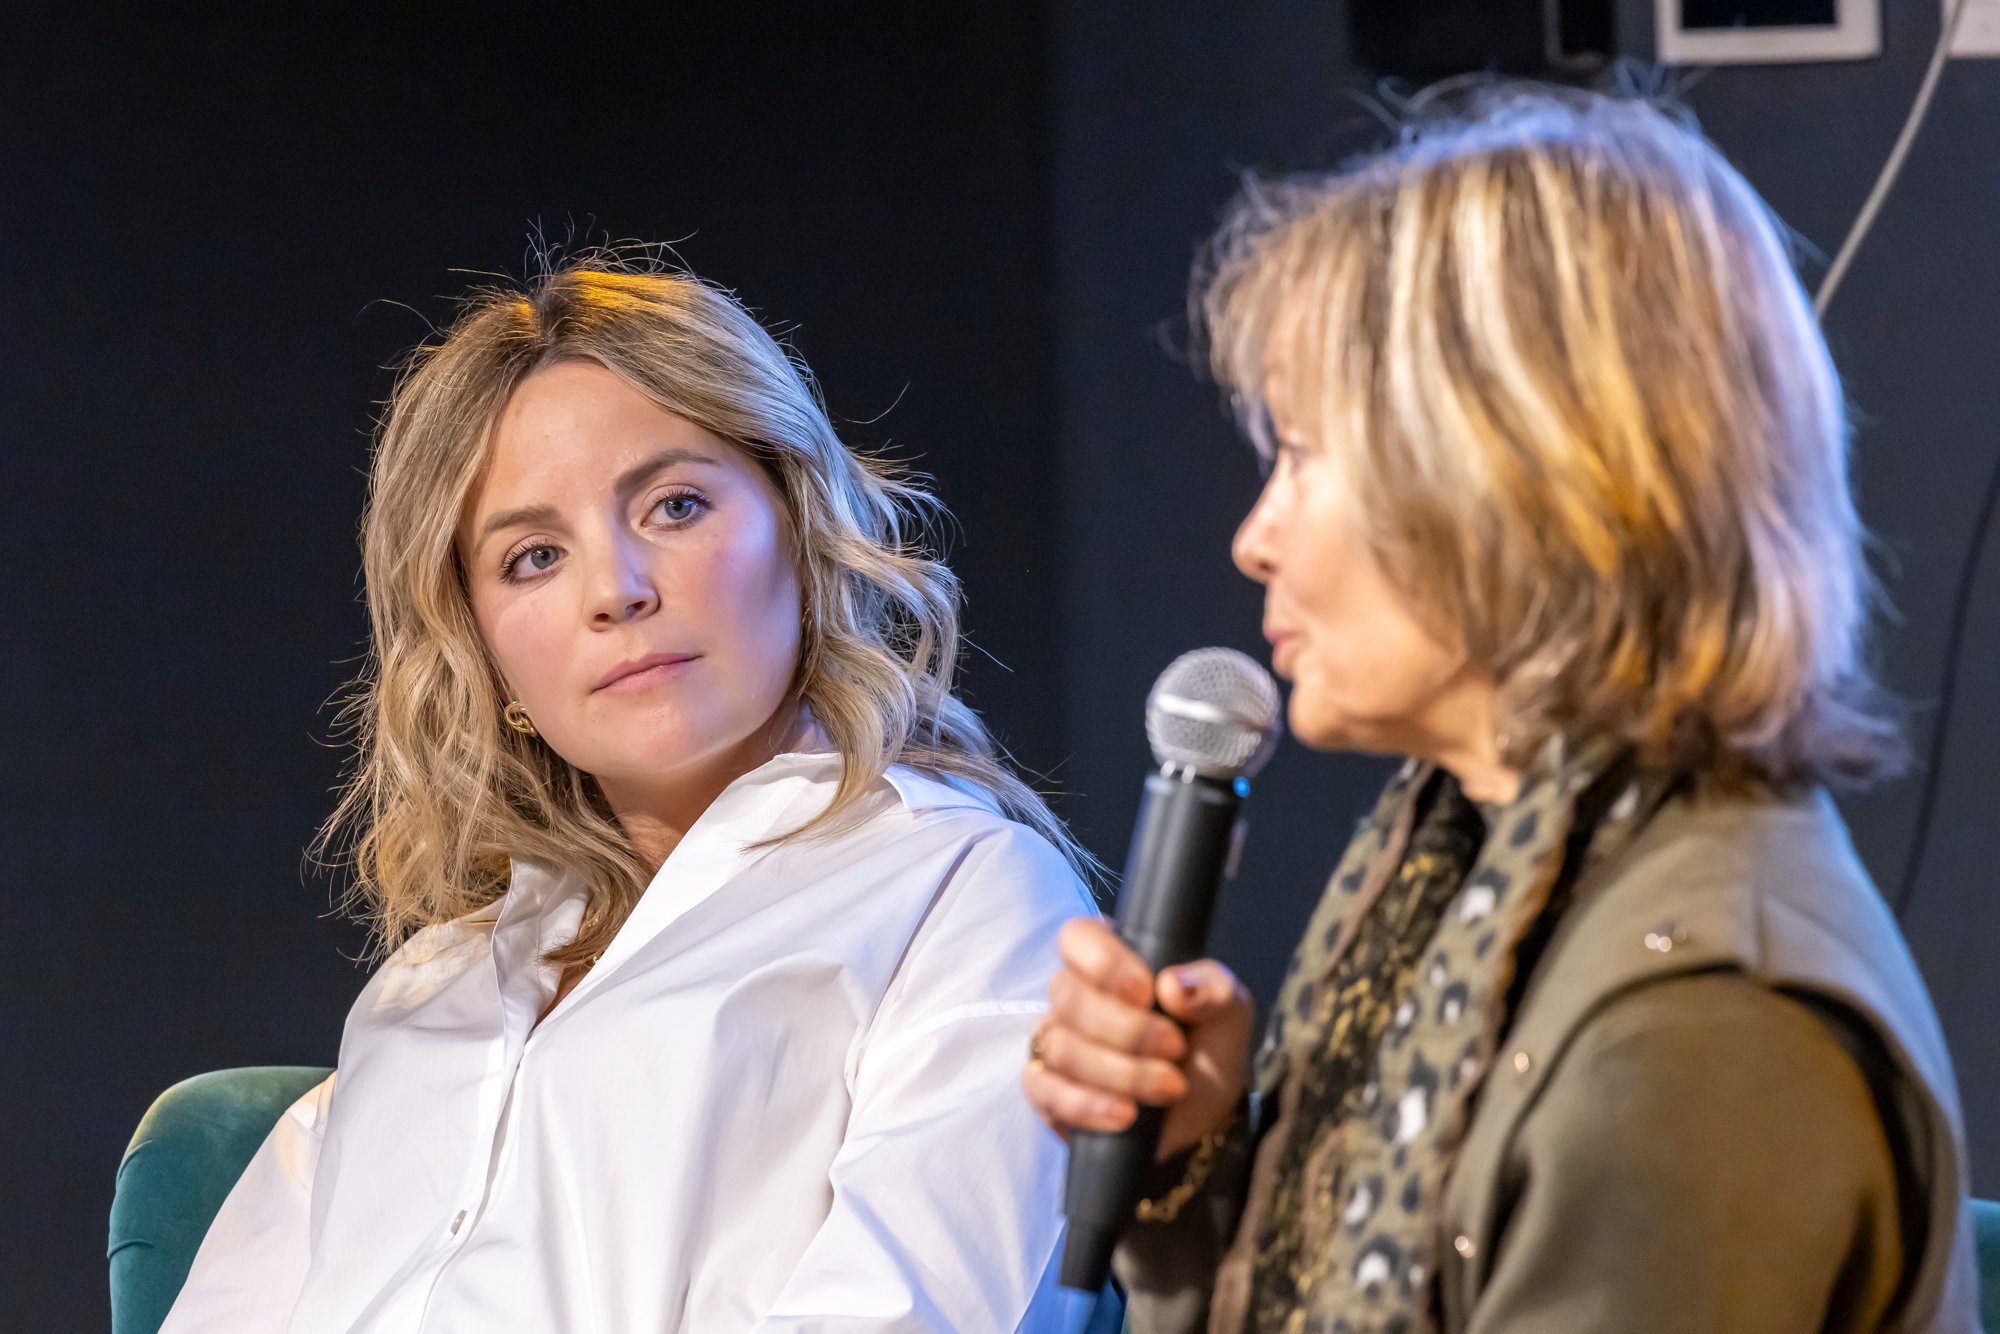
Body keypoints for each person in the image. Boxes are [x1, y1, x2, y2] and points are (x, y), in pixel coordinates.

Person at [1023, 88, 1978, 1333]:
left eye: (1304, 455)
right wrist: (1193, 1161)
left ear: (1510, 484)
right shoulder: (1470, 874)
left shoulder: (1688, 1042)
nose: (1253, 537)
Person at [163, 259, 1098, 1333]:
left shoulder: (964, 894)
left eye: (675, 503)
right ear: (481, 650)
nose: (617, 588)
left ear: (797, 522)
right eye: (532, 557)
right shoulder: (425, 990)